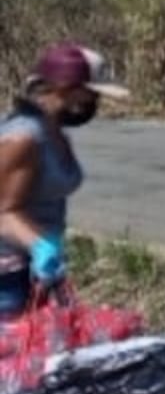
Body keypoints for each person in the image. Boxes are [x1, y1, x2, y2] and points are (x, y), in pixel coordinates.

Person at [0, 44, 129, 320]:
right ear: (65, 87)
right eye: (91, 94)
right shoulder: (23, 137)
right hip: (7, 276)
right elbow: (4, 211)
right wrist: (40, 246)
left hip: (34, 271)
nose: (94, 103)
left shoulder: (52, 132)